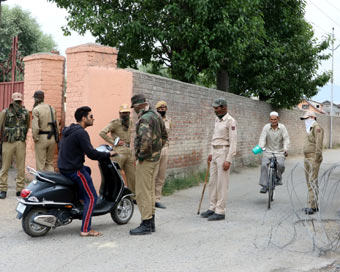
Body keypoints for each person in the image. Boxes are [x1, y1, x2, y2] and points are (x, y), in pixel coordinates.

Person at [57, 106, 116, 236]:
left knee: (87, 169)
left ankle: (80, 199)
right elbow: (91, 154)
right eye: (91, 116)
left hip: (64, 168)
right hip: (74, 170)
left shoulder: (68, 130)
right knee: (92, 197)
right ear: (84, 118)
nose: (93, 118)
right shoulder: (81, 133)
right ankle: (86, 229)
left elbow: (61, 146)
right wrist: (108, 154)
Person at [129, 94, 168, 235]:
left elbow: (145, 141)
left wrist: (141, 156)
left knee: (142, 192)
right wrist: (157, 152)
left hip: (145, 160)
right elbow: (165, 136)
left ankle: (146, 223)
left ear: (139, 105)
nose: (133, 110)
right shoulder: (156, 116)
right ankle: (151, 222)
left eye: (134, 107)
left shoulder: (145, 118)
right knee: (150, 190)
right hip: (155, 159)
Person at [200, 98, 237, 221]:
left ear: (224, 107)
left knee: (222, 183)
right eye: (214, 108)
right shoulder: (217, 119)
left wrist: (229, 159)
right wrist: (211, 152)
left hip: (223, 152)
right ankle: (212, 207)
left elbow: (233, 142)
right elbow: (214, 137)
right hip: (215, 151)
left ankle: (220, 211)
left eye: (217, 108)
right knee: (212, 182)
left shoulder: (230, 121)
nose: (215, 110)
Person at [99, 104, 135, 194]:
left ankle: (132, 197)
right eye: (123, 113)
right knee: (116, 176)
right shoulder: (115, 123)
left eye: (127, 112)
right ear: (119, 113)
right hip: (118, 151)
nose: (125, 114)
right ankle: (116, 195)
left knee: (132, 176)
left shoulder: (130, 122)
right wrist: (114, 142)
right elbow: (102, 132)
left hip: (128, 150)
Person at [0, 92, 30, 199]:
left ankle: (20, 189)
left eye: (19, 100)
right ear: (12, 100)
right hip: (8, 142)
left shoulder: (25, 113)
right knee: (5, 167)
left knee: (21, 167)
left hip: (20, 142)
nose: (18, 102)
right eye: (16, 100)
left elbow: (27, 125)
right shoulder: (5, 112)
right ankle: (3, 189)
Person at [258, 111, 290, 193]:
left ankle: (278, 177)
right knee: (264, 165)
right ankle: (264, 185)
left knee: (281, 165)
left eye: (275, 119)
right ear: (270, 119)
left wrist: (285, 149)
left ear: (278, 119)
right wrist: (261, 146)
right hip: (268, 151)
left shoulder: (282, 127)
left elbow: (286, 139)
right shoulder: (266, 127)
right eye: (271, 119)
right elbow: (262, 138)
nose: (273, 121)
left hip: (279, 152)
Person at [300, 111, 324, 215]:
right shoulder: (309, 128)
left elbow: (319, 144)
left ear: (313, 117)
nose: (305, 120)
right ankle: (313, 204)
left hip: (313, 157)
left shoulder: (316, 128)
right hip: (307, 158)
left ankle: (312, 206)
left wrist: (317, 158)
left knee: (312, 181)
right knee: (309, 182)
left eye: (307, 118)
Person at [32, 90, 59, 171]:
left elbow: (35, 127)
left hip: (41, 138)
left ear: (36, 99)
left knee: (40, 164)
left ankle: (41, 182)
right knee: (50, 163)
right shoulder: (51, 108)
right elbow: (56, 124)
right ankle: (51, 182)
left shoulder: (36, 109)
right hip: (52, 138)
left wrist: (35, 137)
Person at [154, 100, 172, 209]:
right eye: (160, 108)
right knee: (153, 174)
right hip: (155, 149)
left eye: (164, 108)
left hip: (165, 149)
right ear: (157, 110)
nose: (162, 109)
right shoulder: (154, 120)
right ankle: (150, 198)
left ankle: (157, 199)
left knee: (161, 175)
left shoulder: (169, 120)